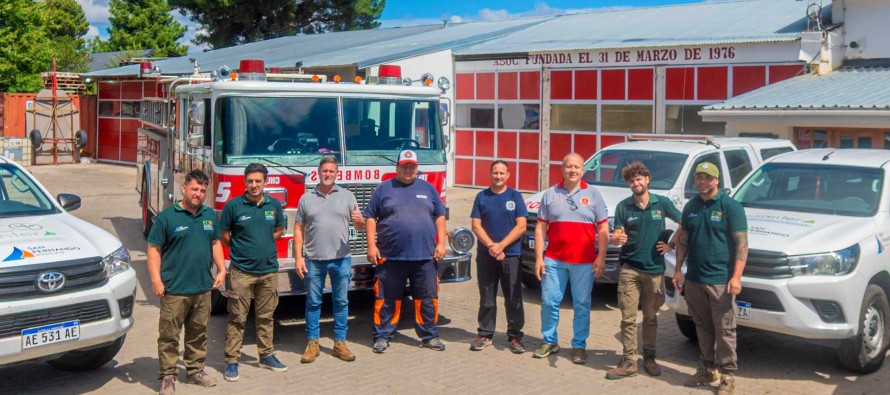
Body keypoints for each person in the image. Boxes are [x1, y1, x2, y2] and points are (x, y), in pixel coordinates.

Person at [147, 170, 226, 395]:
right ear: (183, 188)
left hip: (202, 288)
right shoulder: (166, 217)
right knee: (169, 336)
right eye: (194, 189)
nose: (198, 194)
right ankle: (167, 377)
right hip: (175, 290)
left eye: (202, 190)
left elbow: (215, 244)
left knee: (198, 333)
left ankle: (195, 371)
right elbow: (153, 250)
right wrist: (156, 280)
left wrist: (221, 270)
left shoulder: (209, 216)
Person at [672, 162, 748, 395]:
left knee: (725, 329)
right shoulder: (691, 207)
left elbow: (742, 244)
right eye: (699, 177)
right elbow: (683, 239)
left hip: (720, 280)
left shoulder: (731, 207)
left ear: (717, 181)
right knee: (702, 327)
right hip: (694, 278)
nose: (702, 181)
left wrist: (736, 277)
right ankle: (707, 369)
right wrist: (678, 270)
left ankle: (727, 376)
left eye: (707, 177)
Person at [363, 149, 448, 353]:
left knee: (427, 299)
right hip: (390, 256)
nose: (408, 170)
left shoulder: (428, 188)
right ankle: (382, 335)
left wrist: (442, 243)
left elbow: (439, 215)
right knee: (386, 299)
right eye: (404, 166)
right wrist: (371, 245)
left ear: (417, 168)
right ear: (397, 167)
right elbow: (370, 217)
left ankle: (429, 335)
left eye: (412, 166)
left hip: (425, 256)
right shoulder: (384, 189)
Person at [605, 162, 681, 380]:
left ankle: (649, 357)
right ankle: (629, 360)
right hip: (630, 269)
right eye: (631, 180)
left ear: (647, 180)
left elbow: (684, 223)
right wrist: (617, 238)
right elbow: (616, 234)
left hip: (655, 270)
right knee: (628, 318)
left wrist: (671, 245)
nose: (635, 183)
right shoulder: (623, 207)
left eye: (639, 179)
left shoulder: (662, 203)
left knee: (650, 318)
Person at [532, 153, 609, 364]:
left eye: (576, 167)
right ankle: (549, 341)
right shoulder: (550, 194)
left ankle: (579, 346)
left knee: (582, 304)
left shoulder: (593, 195)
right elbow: (540, 227)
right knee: (549, 302)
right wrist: (539, 258)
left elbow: (603, 228)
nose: (572, 170)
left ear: (583, 170)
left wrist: (601, 257)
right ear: (562, 169)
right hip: (554, 260)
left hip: (584, 262)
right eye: (568, 167)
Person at [218, 163, 287, 382]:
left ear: (265, 182)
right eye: (250, 181)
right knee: (237, 318)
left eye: (258, 181)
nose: (254, 185)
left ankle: (266, 355)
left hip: (268, 272)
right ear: (245, 182)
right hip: (241, 272)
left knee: (266, 317)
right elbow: (224, 234)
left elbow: (278, 229)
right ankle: (231, 361)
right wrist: (241, 249)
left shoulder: (274, 205)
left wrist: (264, 243)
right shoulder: (233, 206)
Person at [293, 156, 365, 363]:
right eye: (325, 171)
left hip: (341, 259)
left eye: (332, 171)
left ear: (337, 174)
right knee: (313, 302)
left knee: (341, 301)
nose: (328, 174)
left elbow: (358, 226)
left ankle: (340, 343)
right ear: (318, 172)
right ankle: (312, 343)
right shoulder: (306, 198)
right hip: (313, 260)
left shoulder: (348, 196)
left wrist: (360, 223)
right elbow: (298, 228)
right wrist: (298, 258)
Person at [469, 160, 528, 353]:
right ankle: (485, 334)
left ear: (508, 175)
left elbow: (521, 226)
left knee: (513, 297)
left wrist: (501, 246)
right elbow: (476, 226)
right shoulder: (481, 197)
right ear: (490, 174)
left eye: (502, 173)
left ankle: (515, 336)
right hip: (487, 256)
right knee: (487, 296)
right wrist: (492, 247)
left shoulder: (515, 196)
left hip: (511, 255)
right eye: (495, 173)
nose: (498, 176)